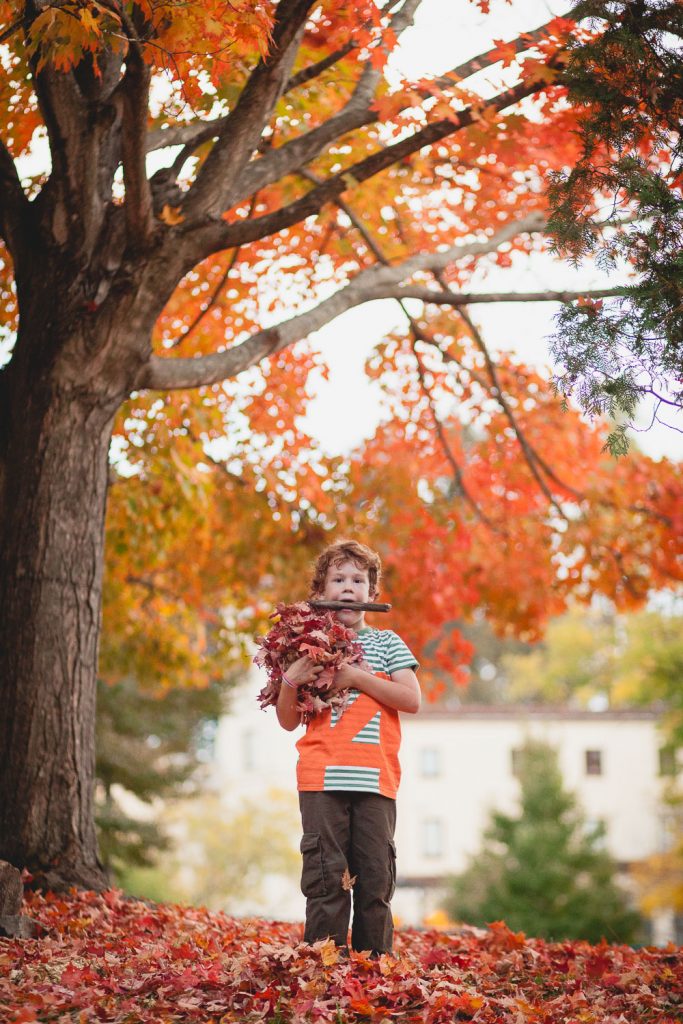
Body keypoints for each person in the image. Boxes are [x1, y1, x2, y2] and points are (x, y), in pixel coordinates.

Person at [275, 539, 420, 956]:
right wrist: (292, 678)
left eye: (358, 580)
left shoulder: (389, 644)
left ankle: (375, 974)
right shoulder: (304, 645)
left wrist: (356, 678)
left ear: (371, 594)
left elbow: (411, 700)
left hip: (376, 780)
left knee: (375, 881)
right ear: (320, 592)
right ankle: (322, 973)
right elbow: (287, 720)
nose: (348, 587)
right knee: (325, 880)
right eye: (338, 579)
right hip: (321, 779)